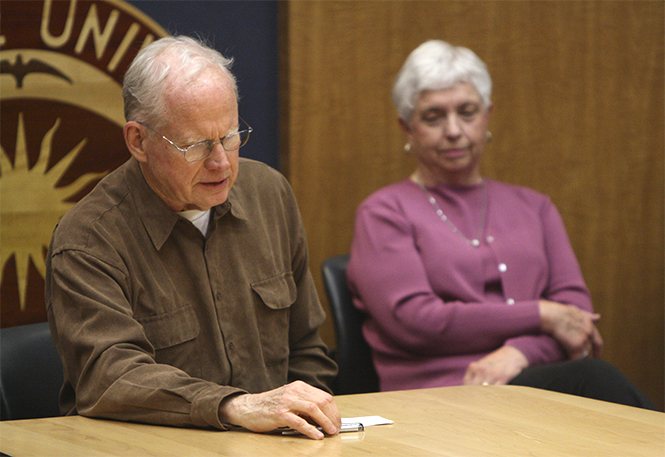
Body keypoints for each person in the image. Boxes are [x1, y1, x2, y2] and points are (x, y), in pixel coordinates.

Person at [45, 36, 341, 439]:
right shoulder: (88, 239)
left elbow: (307, 350)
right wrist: (236, 407)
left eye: (231, 136)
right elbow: (109, 378)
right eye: (196, 145)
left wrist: (307, 422)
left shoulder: (269, 195)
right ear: (138, 141)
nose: (221, 162)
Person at [347, 40, 655, 409]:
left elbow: (576, 316)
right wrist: (540, 314)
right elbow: (417, 322)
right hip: (438, 399)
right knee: (594, 379)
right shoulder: (384, 212)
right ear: (406, 128)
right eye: (433, 117)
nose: (454, 130)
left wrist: (521, 352)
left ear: (488, 115)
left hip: (535, 382)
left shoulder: (535, 206)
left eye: (467, 112)